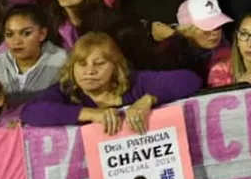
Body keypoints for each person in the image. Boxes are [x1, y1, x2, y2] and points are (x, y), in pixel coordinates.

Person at [23, 32, 202, 129]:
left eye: (99, 64)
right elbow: (31, 112)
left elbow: (189, 79)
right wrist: (94, 114)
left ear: (116, 67)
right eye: (82, 64)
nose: (90, 71)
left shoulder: (135, 83)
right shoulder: (65, 91)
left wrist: (147, 100)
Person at [0, 5, 68, 106]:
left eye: (26, 33)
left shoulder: (62, 62)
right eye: (9, 34)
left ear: (42, 33)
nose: (16, 41)